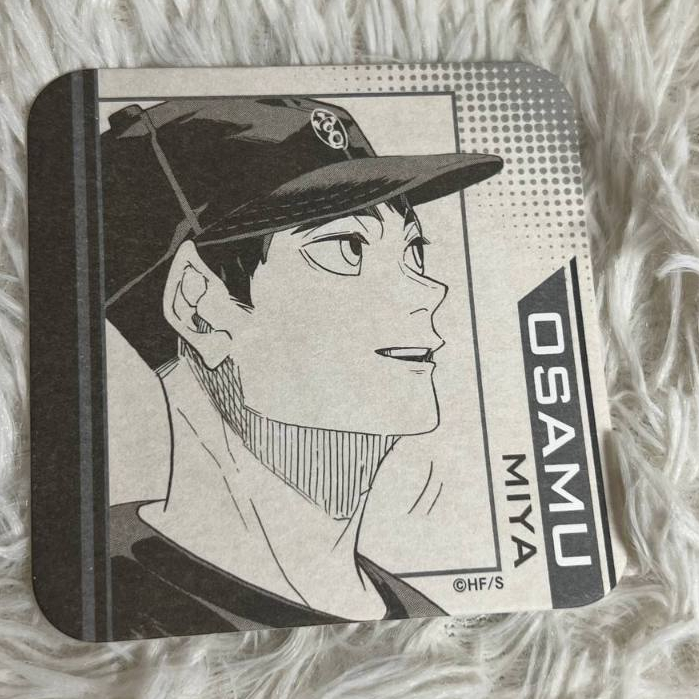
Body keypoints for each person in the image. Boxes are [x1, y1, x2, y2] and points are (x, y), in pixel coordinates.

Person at [102, 97, 502, 638]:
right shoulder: (123, 614)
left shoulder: (416, 622)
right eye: (346, 247)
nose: (430, 290)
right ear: (199, 307)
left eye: (413, 248)